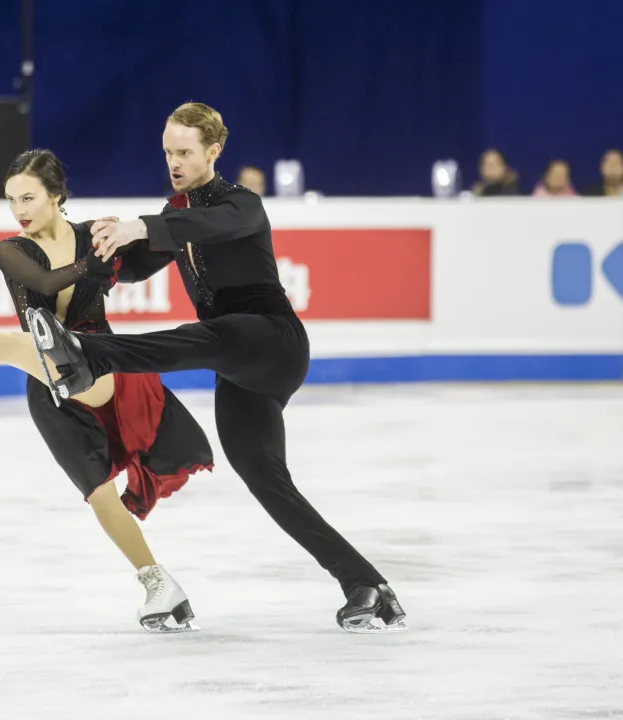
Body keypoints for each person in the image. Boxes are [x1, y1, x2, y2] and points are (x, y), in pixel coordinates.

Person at [26, 102, 407, 633]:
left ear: (214, 150)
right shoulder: (175, 212)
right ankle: (365, 584)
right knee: (268, 481)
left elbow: (205, 224)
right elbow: (133, 266)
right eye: (168, 152)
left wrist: (143, 225)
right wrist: (97, 243)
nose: (175, 161)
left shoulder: (240, 204)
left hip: (272, 341)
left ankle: (85, 356)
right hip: (235, 364)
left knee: (202, 337)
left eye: (185, 152)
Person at [0, 149, 214, 633]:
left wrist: (167, 223)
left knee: (28, 344)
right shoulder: (11, 250)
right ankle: (159, 585)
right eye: (11, 199)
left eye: (29, 198)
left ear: (56, 195)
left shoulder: (93, 236)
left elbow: (148, 259)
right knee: (100, 495)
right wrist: (92, 267)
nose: (19, 209)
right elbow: (42, 281)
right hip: (50, 388)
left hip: (104, 364)